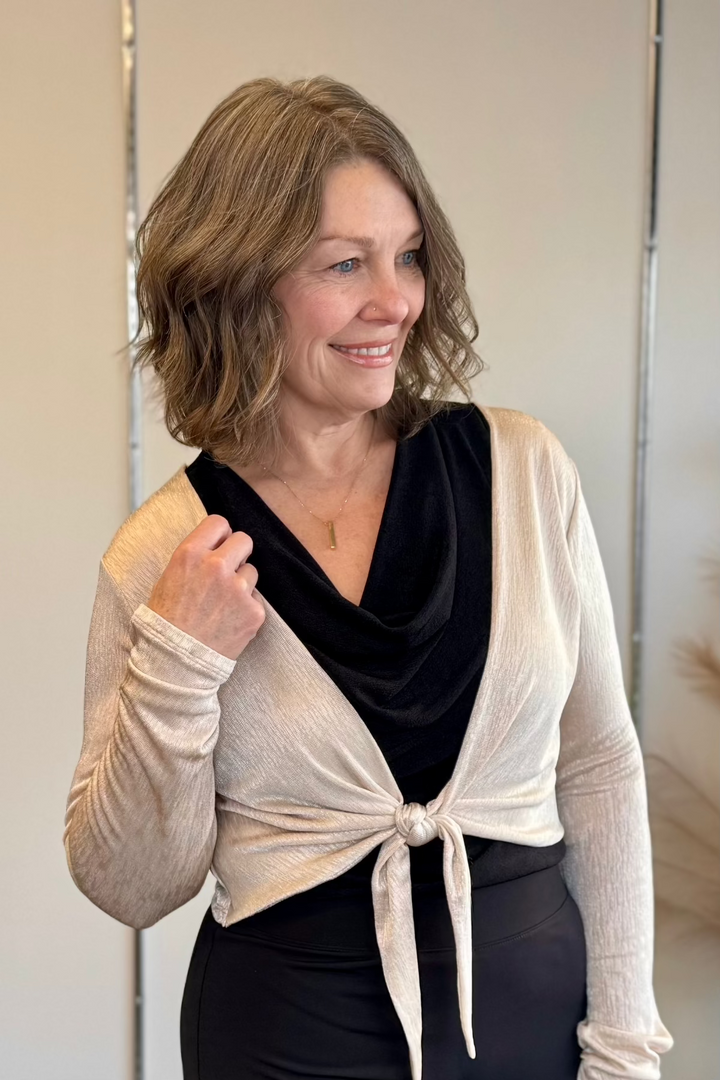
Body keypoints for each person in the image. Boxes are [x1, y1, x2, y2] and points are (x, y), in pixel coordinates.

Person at [63, 76, 673, 1080]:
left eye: (408, 257)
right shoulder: (166, 554)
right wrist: (177, 664)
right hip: (282, 1043)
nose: (395, 301)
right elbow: (131, 885)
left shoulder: (524, 472)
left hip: (536, 1034)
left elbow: (600, 765)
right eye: (345, 264)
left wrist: (626, 1046)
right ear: (237, 281)